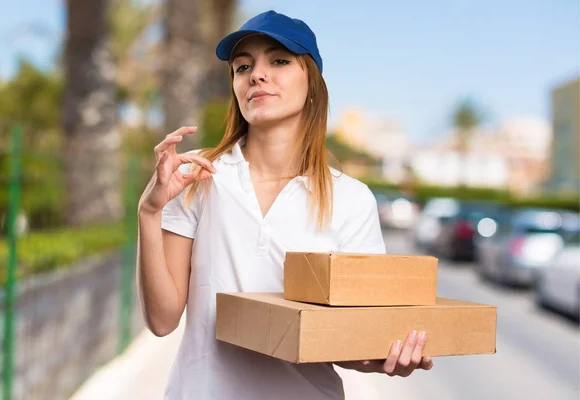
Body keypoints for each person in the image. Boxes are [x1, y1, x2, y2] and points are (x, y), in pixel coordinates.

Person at [137, 10, 433, 400]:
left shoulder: (351, 199)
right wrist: (149, 212)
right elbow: (161, 321)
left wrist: (382, 357)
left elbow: (351, 335)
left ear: (311, 81)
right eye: (243, 67)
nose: (257, 75)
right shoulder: (198, 176)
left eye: (278, 61)